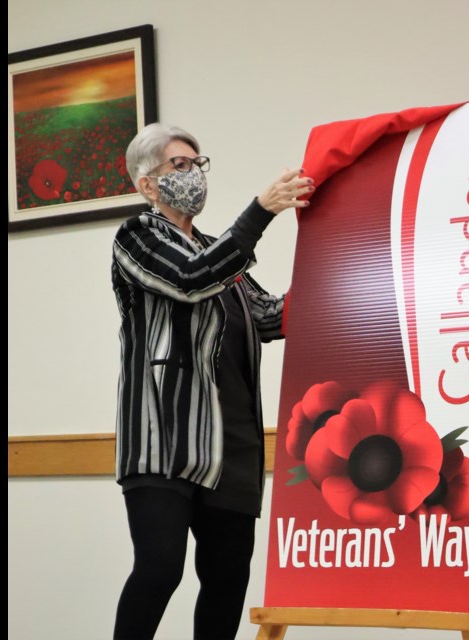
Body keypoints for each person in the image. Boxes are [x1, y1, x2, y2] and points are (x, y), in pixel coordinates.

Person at [111, 122, 312, 640]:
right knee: (159, 571)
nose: (193, 175)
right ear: (147, 184)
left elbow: (268, 316)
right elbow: (189, 278)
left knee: (226, 583)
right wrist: (261, 211)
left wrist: (334, 270)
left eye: (197, 165)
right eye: (178, 165)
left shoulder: (219, 252)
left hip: (234, 447)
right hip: (165, 439)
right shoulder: (137, 236)